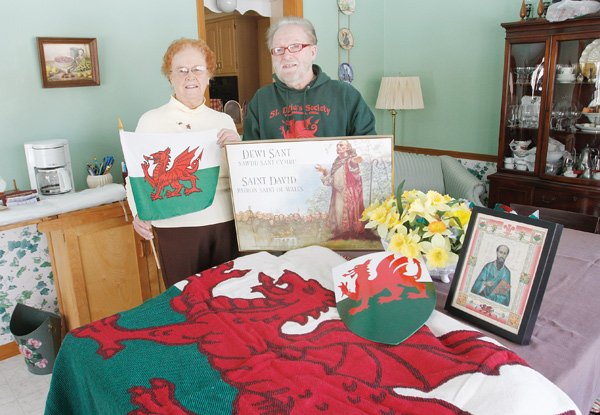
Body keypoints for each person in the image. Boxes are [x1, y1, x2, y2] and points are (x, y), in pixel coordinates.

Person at [128, 38, 241, 288]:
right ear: (170, 76)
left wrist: (238, 147)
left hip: (225, 224)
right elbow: (135, 176)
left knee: (226, 297)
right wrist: (137, 212)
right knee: (184, 301)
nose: (190, 76)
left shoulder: (224, 121)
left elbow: (243, 177)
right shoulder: (151, 121)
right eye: (181, 70)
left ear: (208, 74)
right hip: (175, 227)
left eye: (197, 69)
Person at [243, 17, 376, 140]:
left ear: (313, 52)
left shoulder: (346, 95)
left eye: (295, 46)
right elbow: (248, 155)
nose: (286, 56)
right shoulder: (262, 99)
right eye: (278, 50)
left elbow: (369, 152)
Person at [315, 140, 374, 241]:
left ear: (347, 148)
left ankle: (349, 236)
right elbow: (330, 180)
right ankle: (339, 236)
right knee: (337, 213)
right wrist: (325, 171)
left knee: (349, 213)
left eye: (341, 145)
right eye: (337, 145)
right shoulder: (337, 162)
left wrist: (355, 163)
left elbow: (355, 173)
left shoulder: (351, 160)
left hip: (348, 193)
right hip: (337, 193)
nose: (338, 146)